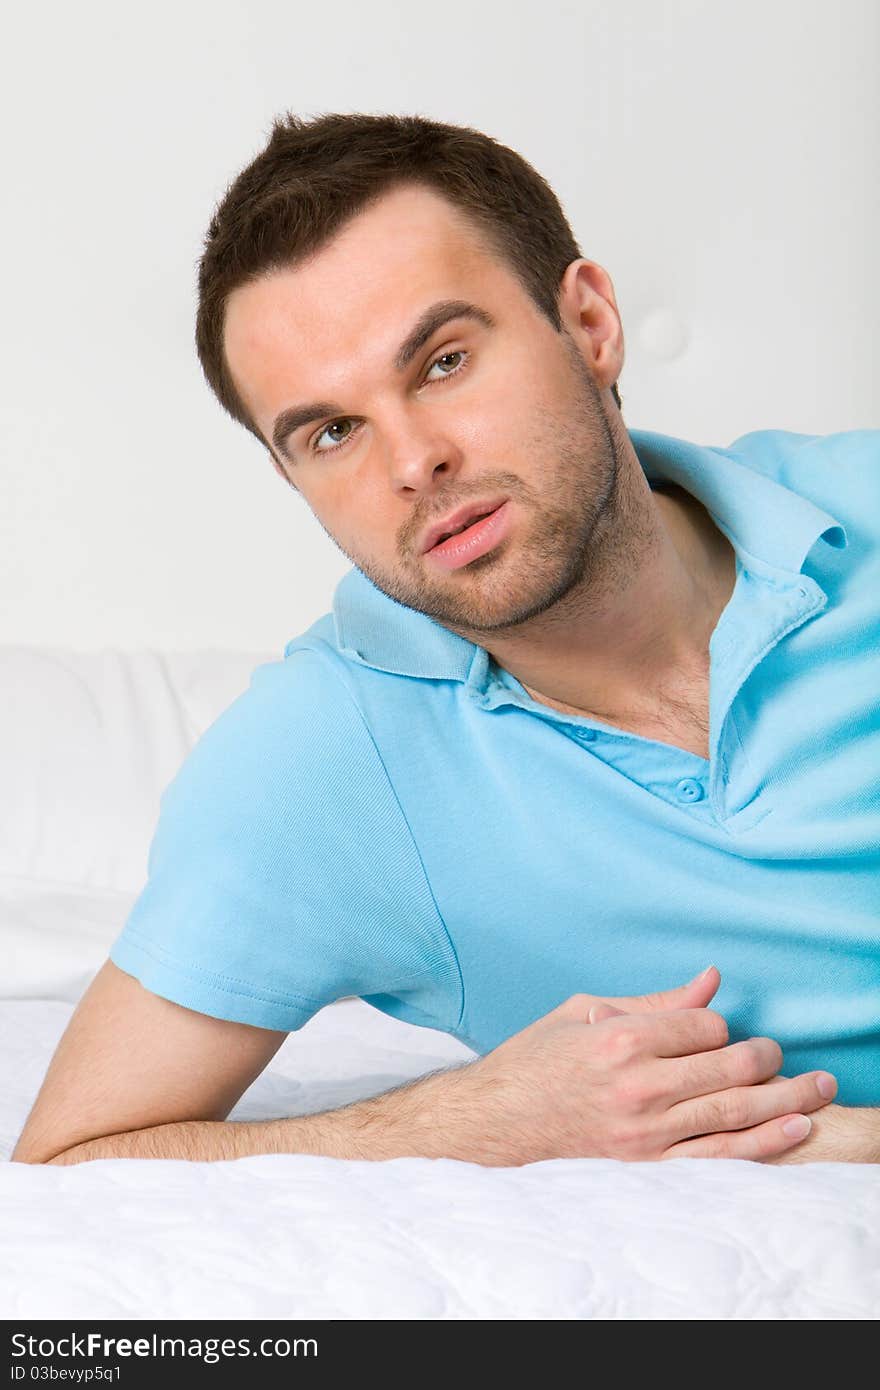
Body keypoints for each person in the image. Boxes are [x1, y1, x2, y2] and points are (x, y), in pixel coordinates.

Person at [12, 113, 879, 1169]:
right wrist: (460, 1122)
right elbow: (68, 1162)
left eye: (443, 362)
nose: (413, 461)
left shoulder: (862, 506)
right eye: (331, 432)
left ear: (590, 322)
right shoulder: (324, 762)